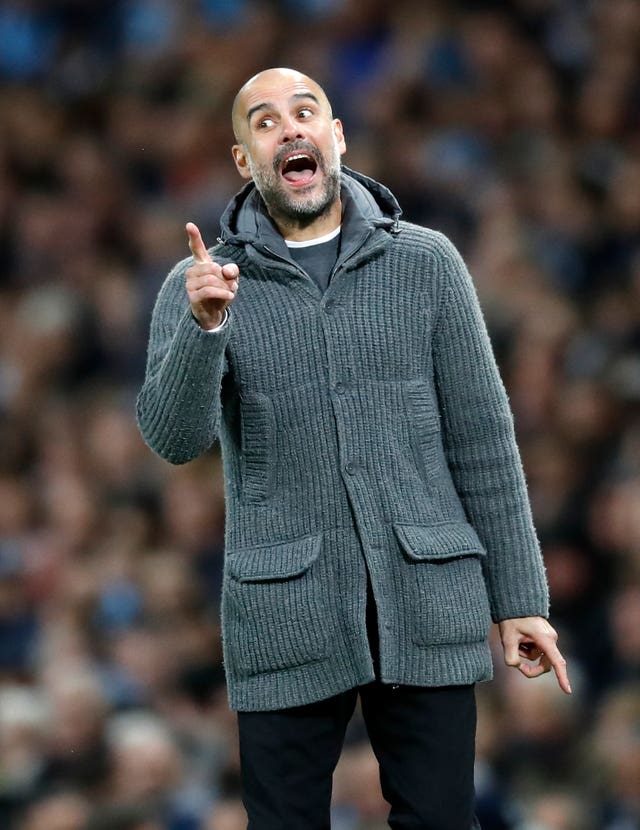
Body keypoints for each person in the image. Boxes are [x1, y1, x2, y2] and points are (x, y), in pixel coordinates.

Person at [136, 67, 571, 830]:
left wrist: (521, 599)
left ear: (336, 137)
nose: (290, 129)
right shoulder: (202, 281)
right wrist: (207, 329)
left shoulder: (426, 263)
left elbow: (484, 443)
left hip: (428, 602)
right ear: (245, 160)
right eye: (265, 122)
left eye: (306, 113)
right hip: (285, 616)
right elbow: (175, 441)